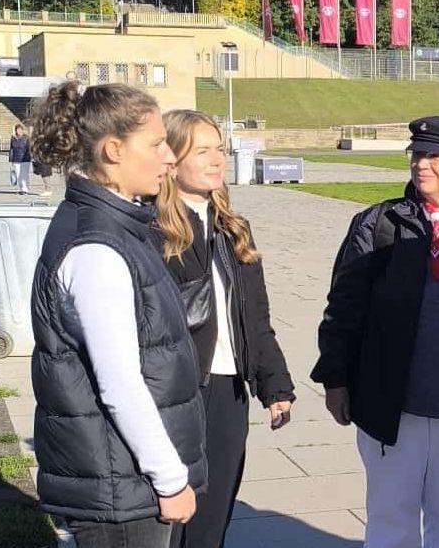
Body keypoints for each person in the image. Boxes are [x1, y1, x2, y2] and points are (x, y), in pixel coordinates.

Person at [312, 116, 439, 548]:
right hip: (394, 406)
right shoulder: (379, 224)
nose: (422, 164)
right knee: (391, 518)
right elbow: (344, 307)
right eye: (417, 154)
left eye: (434, 156)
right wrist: (335, 379)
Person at [29, 81, 207, 548]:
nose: (169, 157)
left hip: (124, 478)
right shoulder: (97, 248)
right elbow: (120, 383)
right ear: (113, 150)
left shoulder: (117, 227)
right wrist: (170, 478)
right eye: (156, 144)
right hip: (120, 487)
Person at [152, 109, 296, 548]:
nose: (218, 159)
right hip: (177, 395)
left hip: (228, 390)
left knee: (212, 521)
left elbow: (255, 316)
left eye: (220, 148)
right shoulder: (152, 231)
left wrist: (275, 384)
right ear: (171, 160)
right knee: (169, 522)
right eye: (202, 151)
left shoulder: (232, 228)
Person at [9, 123, 31, 195]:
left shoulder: (26, 138)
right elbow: (11, 149)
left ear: (22, 130)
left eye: (20, 130)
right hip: (16, 159)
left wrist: (30, 157)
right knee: (18, 174)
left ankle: (25, 189)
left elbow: (29, 148)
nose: (19, 131)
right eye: (17, 130)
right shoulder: (13, 138)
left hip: (25, 159)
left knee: (24, 175)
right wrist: (10, 160)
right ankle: (21, 188)